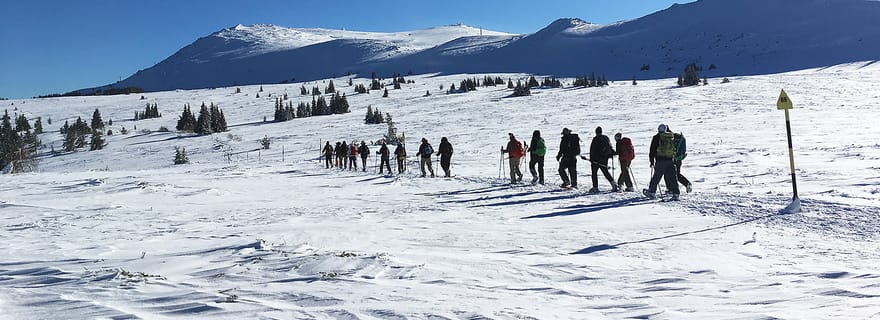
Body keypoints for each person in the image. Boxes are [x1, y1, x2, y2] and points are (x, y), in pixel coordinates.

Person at [644, 123, 681, 200]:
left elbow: (652, 150)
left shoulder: (656, 137)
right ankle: (676, 193)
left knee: (656, 177)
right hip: (670, 160)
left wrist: (651, 161)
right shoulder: (671, 136)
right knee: (673, 177)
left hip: (660, 160)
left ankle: (652, 192)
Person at [588, 126, 617, 193]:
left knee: (594, 173)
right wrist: (611, 154)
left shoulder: (595, 139)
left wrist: (591, 159)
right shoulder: (605, 138)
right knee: (605, 172)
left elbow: (593, 150)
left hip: (596, 160)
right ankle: (613, 184)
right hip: (604, 158)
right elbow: (609, 147)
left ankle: (595, 187)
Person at [666, 126, 693, 193]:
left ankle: (670, 189)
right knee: (677, 174)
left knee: (668, 174)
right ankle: (687, 183)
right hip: (679, 158)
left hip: (673, 159)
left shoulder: (671, 138)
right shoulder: (678, 137)